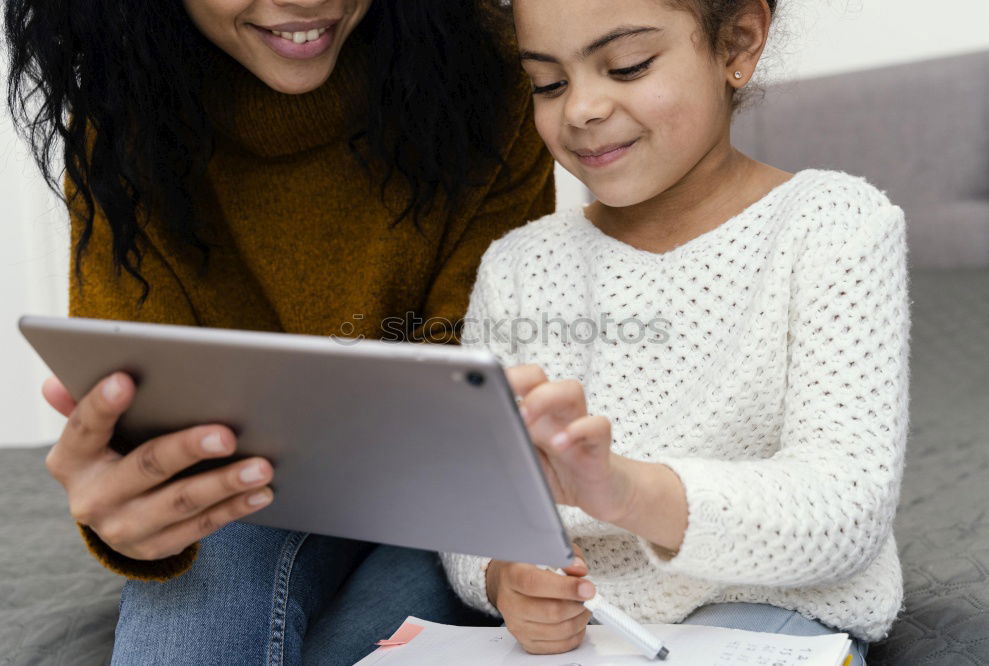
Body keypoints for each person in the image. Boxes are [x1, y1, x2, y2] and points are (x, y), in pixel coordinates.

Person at [4, 0, 554, 663]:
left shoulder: (493, 77)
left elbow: (476, 406)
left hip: (441, 496)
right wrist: (133, 515)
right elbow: (148, 436)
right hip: (244, 493)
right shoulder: (123, 111)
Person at [441, 1, 909, 663]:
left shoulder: (834, 225)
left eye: (626, 67)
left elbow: (845, 508)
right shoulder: (517, 266)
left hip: (765, 613)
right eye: (547, 84)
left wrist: (627, 491)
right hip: (587, 632)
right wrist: (502, 576)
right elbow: (470, 494)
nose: (580, 109)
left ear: (737, 44)